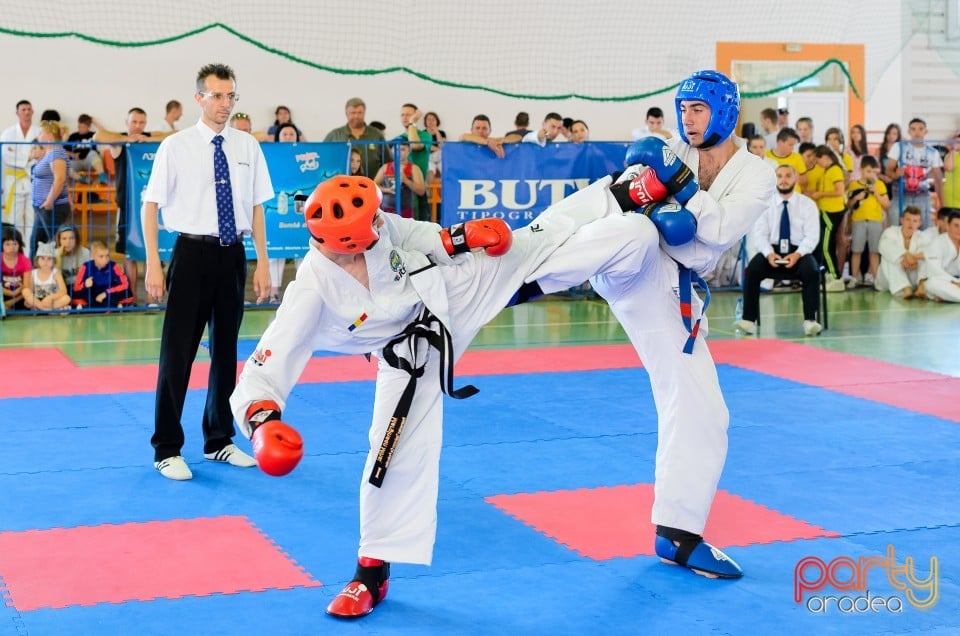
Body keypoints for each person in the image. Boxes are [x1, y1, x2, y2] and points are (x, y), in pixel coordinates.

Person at [229, 168, 646, 618]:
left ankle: (623, 194)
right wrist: (262, 423)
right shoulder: (311, 290)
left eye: (376, 214)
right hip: (407, 354)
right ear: (346, 241)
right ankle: (371, 573)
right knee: (389, 453)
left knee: (532, 242)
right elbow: (263, 367)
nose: (380, 223)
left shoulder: (379, 223)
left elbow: (430, 240)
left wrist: (468, 236)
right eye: (370, 223)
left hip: (443, 292)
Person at [524, 70, 776, 584]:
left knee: (704, 411)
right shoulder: (668, 149)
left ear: (725, 112)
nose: (687, 119)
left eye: (699, 109)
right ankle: (517, 268)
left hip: (671, 292)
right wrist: (662, 194)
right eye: (682, 108)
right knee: (628, 220)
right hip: (629, 262)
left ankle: (678, 534)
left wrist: (674, 189)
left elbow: (720, 227)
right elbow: (617, 200)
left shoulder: (756, 174)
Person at [142, 62, 273, 481]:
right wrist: (153, 265)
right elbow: (150, 207)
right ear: (199, 97)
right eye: (216, 96)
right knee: (177, 353)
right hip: (191, 254)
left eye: (231, 96)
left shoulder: (246, 146)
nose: (224, 104)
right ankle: (166, 447)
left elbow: (256, 208)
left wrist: (263, 262)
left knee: (225, 351)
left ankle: (218, 439)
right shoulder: (176, 146)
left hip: (232, 255)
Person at [94, 108, 172, 305]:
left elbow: (175, 135)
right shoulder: (120, 143)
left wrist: (148, 138)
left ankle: (151, 298)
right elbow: (98, 136)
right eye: (134, 122)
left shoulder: (152, 139)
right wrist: (125, 137)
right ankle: (131, 298)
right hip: (126, 206)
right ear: (127, 122)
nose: (137, 126)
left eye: (141, 122)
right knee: (129, 254)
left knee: (149, 251)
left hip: (150, 206)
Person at [735, 165, 822, 336]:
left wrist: (797, 254)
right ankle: (748, 320)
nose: (783, 180)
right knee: (752, 270)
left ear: (795, 179)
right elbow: (760, 235)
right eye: (780, 176)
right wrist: (769, 254)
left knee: (811, 270)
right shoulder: (766, 204)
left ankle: (810, 321)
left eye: (788, 176)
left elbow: (812, 236)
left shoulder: (807, 204)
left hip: (799, 252)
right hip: (772, 252)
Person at [885, 118, 943, 229]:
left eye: (920, 129)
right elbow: (888, 170)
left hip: (922, 196)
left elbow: (938, 180)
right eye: (913, 129)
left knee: (924, 231)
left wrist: (942, 204)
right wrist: (896, 174)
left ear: (926, 132)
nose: (917, 132)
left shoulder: (933, 152)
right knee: (896, 230)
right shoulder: (899, 146)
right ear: (909, 131)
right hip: (900, 195)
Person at [29, 121, 73, 258]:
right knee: (35, 243)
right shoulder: (49, 154)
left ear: (48, 136)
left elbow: (59, 179)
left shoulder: (56, 153)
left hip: (52, 207)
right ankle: (34, 275)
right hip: (42, 208)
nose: (38, 135)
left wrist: (48, 202)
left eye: (40, 132)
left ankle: (61, 275)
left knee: (56, 244)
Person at [1, 100, 40, 256]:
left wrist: (28, 158)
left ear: (32, 112)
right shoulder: (8, 133)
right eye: (23, 109)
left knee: (33, 220)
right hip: (14, 182)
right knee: (15, 220)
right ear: (17, 112)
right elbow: (6, 155)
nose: (26, 112)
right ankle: (16, 253)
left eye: (29, 109)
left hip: (33, 180)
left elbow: (41, 154)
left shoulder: (38, 132)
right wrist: (28, 157)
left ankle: (31, 254)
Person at [807, 145, 847, 292]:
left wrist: (820, 194)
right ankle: (831, 274)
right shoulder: (828, 170)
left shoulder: (835, 170)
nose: (818, 164)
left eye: (818, 160)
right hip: (826, 211)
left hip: (832, 212)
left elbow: (839, 191)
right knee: (826, 246)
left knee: (826, 247)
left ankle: (836, 277)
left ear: (825, 157)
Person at [845, 155, 889, 288]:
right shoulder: (854, 185)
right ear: (861, 170)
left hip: (875, 220)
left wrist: (876, 193)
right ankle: (854, 277)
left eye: (873, 172)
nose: (870, 174)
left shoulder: (879, 185)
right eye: (868, 171)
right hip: (858, 220)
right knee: (856, 250)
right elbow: (848, 205)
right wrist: (856, 198)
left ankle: (876, 279)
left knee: (874, 251)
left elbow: (886, 204)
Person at [323, 98, 387, 177]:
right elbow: (323, 159)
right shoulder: (335, 135)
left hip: (371, 185)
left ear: (364, 113)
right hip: (342, 186)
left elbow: (388, 162)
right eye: (353, 113)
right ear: (346, 114)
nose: (356, 116)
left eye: (360, 112)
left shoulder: (376, 134)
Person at [875, 205, 929, 298]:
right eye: (908, 219)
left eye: (915, 221)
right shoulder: (890, 232)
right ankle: (905, 288)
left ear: (919, 223)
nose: (911, 224)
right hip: (888, 280)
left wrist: (915, 259)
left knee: (925, 259)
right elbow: (883, 246)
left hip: (912, 276)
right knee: (889, 258)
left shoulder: (922, 236)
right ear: (902, 220)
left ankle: (921, 287)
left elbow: (928, 252)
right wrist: (905, 254)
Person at [393, 103, 432, 221]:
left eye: (409, 115)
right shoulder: (398, 138)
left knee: (421, 228)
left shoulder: (425, 136)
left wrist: (412, 122)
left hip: (418, 189)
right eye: (402, 115)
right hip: (398, 191)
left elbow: (415, 145)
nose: (405, 118)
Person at [71, 240, 133, 309]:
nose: (105, 259)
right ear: (92, 256)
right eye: (101, 256)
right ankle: (110, 306)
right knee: (73, 293)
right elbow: (76, 287)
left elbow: (125, 284)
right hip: (92, 294)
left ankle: (94, 306)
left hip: (108, 293)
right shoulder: (85, 267)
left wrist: (106, 293)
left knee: (128, 293)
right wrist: (85, 284)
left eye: (107, 256)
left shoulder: (113, 266)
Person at [373, 142, 425, 218]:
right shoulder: (385, 167)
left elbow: (421, 191)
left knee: (406, 229)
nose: (399, 152)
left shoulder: (414, 168)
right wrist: (387, 189)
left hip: (407, 209)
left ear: (409, 150)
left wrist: (406, 180)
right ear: (391, 150)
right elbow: (374, 185)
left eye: (402, 149)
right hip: (386, 209)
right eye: (396, 149)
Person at [923, 208, 960, 302]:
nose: (959, 230)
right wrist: (955, 282)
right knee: (931, 284)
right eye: (956, 225)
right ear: (948, 225)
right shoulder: (937, 242)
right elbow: (934, 270)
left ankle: (946, 297)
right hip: (945, 280)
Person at [22, 241, 70, 311]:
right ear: (37, 260)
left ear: (54, 261)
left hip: (52, 300)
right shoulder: (33, 273)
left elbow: (63, 291)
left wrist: (51, 297)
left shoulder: (56, 273)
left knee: (67, 298)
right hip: (37, 300)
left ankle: (41, 309)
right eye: (42, 258)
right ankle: (46, 309)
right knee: (25, 291)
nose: (46, 262)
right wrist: (30, 301)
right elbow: (30, 291)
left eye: (49, 259)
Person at [66, 114, 103, 181]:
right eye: (79, 126)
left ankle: (102, 176)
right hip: (76, 161)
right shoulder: (73, 136)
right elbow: (63, 150)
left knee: (93, 153)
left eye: (83, 127)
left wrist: (95, 122)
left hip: (90, 162)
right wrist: (73, 155)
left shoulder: (93, 135)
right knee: (64, 165)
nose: (80, 129)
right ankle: (82, 179)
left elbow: (104, 133)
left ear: (88, 127)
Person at [2, 226, 30, 311]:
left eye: (15, 244)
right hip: (3, 293)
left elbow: (27, 286)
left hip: (19, 296)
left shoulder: (25, 261)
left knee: (28, 293)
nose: (11, 247)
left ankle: (7, 306)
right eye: (7, 244)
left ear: (19, 245)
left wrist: (11, 301)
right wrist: (11, 293)